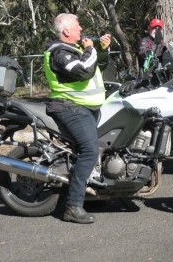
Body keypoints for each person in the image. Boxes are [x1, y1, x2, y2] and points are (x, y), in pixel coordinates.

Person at [43, 13, 111, 223]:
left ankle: (96, 187)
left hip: (84, 107)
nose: (81, 29)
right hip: (69, 107)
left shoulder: (74, 49)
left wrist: (102, 50)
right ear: (66, 31)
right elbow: (83, 71)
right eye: (78, 26)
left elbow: (98, 66)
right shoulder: (59, 52)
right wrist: (91, 48)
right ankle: (73, 206)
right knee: (89, 150)